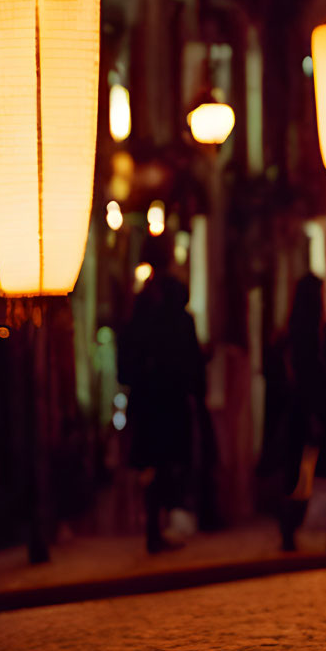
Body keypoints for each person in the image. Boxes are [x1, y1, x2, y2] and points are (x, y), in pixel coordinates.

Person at [117, 235, 208, 554]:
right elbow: (186, 354)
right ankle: (158, 529)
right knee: (163, 463)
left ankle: (156, 529)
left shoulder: (143, 303)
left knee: (156, 465)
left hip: (150, 398)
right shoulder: (165, 304)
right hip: (166, 399)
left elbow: (127, 355)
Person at [258, 276, 326, 552]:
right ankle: (325, 534)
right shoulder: (315, 337)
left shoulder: (292, 339)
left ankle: (292, 533)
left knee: (301, 478)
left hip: (304, 418)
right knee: (311, 478)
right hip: (315, 417)